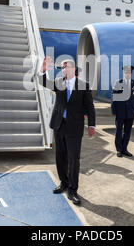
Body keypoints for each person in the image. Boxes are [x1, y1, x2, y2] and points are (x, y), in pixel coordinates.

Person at [39, 57, 96, 205]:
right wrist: (43, 70)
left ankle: (73, 189)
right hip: (59, 125)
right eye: (62, 67)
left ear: (74, 69)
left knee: (73, 159)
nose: (63, 69)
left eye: (66, 67)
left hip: (74, 127)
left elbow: (90, 106)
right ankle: (63, 183)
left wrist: (92, 125)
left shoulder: (83, 85)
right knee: (60, 157)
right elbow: (42, 82)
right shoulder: (59, 83)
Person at [111, 65, 134, 158]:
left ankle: (124, 149)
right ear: (124, 73)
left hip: (130, 112)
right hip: (120, 112)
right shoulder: (118, 83)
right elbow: (113, 98)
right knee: (118, 131)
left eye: (129, 73)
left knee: (127, 132)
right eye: (126, 73)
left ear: (132, 73)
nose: (128, 74)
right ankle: (119, 150)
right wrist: (113, 110)